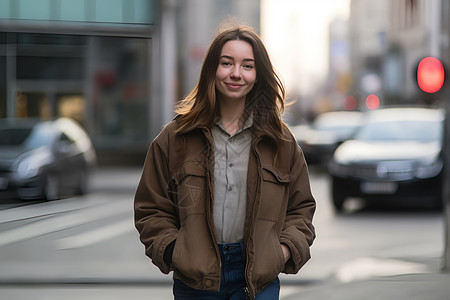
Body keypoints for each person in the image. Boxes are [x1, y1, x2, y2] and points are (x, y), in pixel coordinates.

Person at [134, 23, 316, 300]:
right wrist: (176, 251)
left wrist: (281, 253)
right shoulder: (176, 137)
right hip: (196, 281)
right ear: (212, 70)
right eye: (226, 63)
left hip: (258, 279)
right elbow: (151, 207)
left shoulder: (282, 142)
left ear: (258, 75)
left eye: (247, 66)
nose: (236, 73)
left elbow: (301, 210)